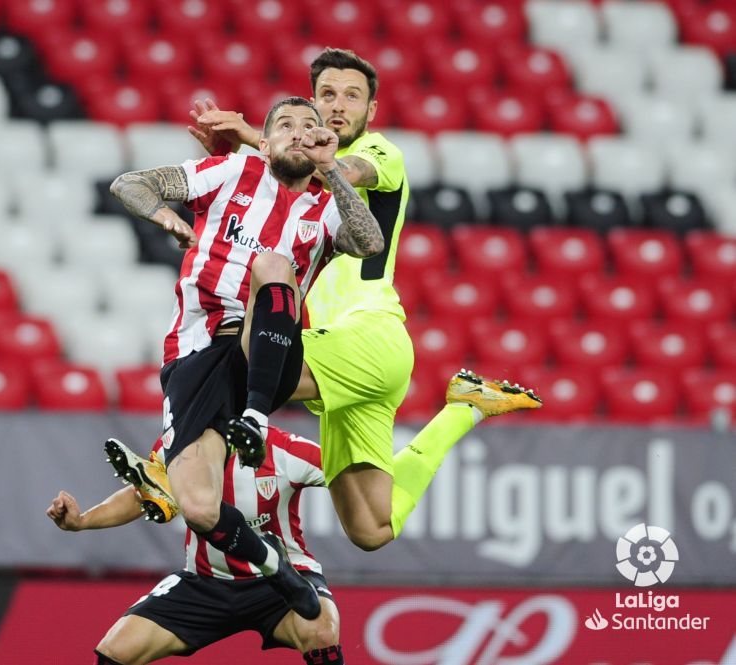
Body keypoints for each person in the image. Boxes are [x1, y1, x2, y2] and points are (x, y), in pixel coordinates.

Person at [187, 48, 542, 552]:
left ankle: (170, 463)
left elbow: (344, 172)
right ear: (311, 101)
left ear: (371, 110)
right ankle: (466, 409)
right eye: (327, 95)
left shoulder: (379, 152)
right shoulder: (280, 187)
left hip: (370, 335)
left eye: (352, 96)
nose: (338, 106)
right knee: (371, 528)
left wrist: (254, 138)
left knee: (245, 371)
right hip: (343, 359)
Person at [108, 96, 384, 620]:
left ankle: (254, 417)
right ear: (265, 140)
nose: (300, 133)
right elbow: (129, 183)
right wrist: (168, 218)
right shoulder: (232, 170)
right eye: (286, 125)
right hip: (193, 350)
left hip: (264, 349)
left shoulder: (327, 203)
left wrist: (333, 171)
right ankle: (276, 568)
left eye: (312, 126)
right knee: (198, 507)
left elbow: (369, 243)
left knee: (274, 264)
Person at [46, 430, 344, 665]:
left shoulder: (286, 449)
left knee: (322, 632)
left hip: (282, 582)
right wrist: (82, 521)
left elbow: (352, 477)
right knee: (115, 650)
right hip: (204, 581)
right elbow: (142, 496)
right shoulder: (177, 443)